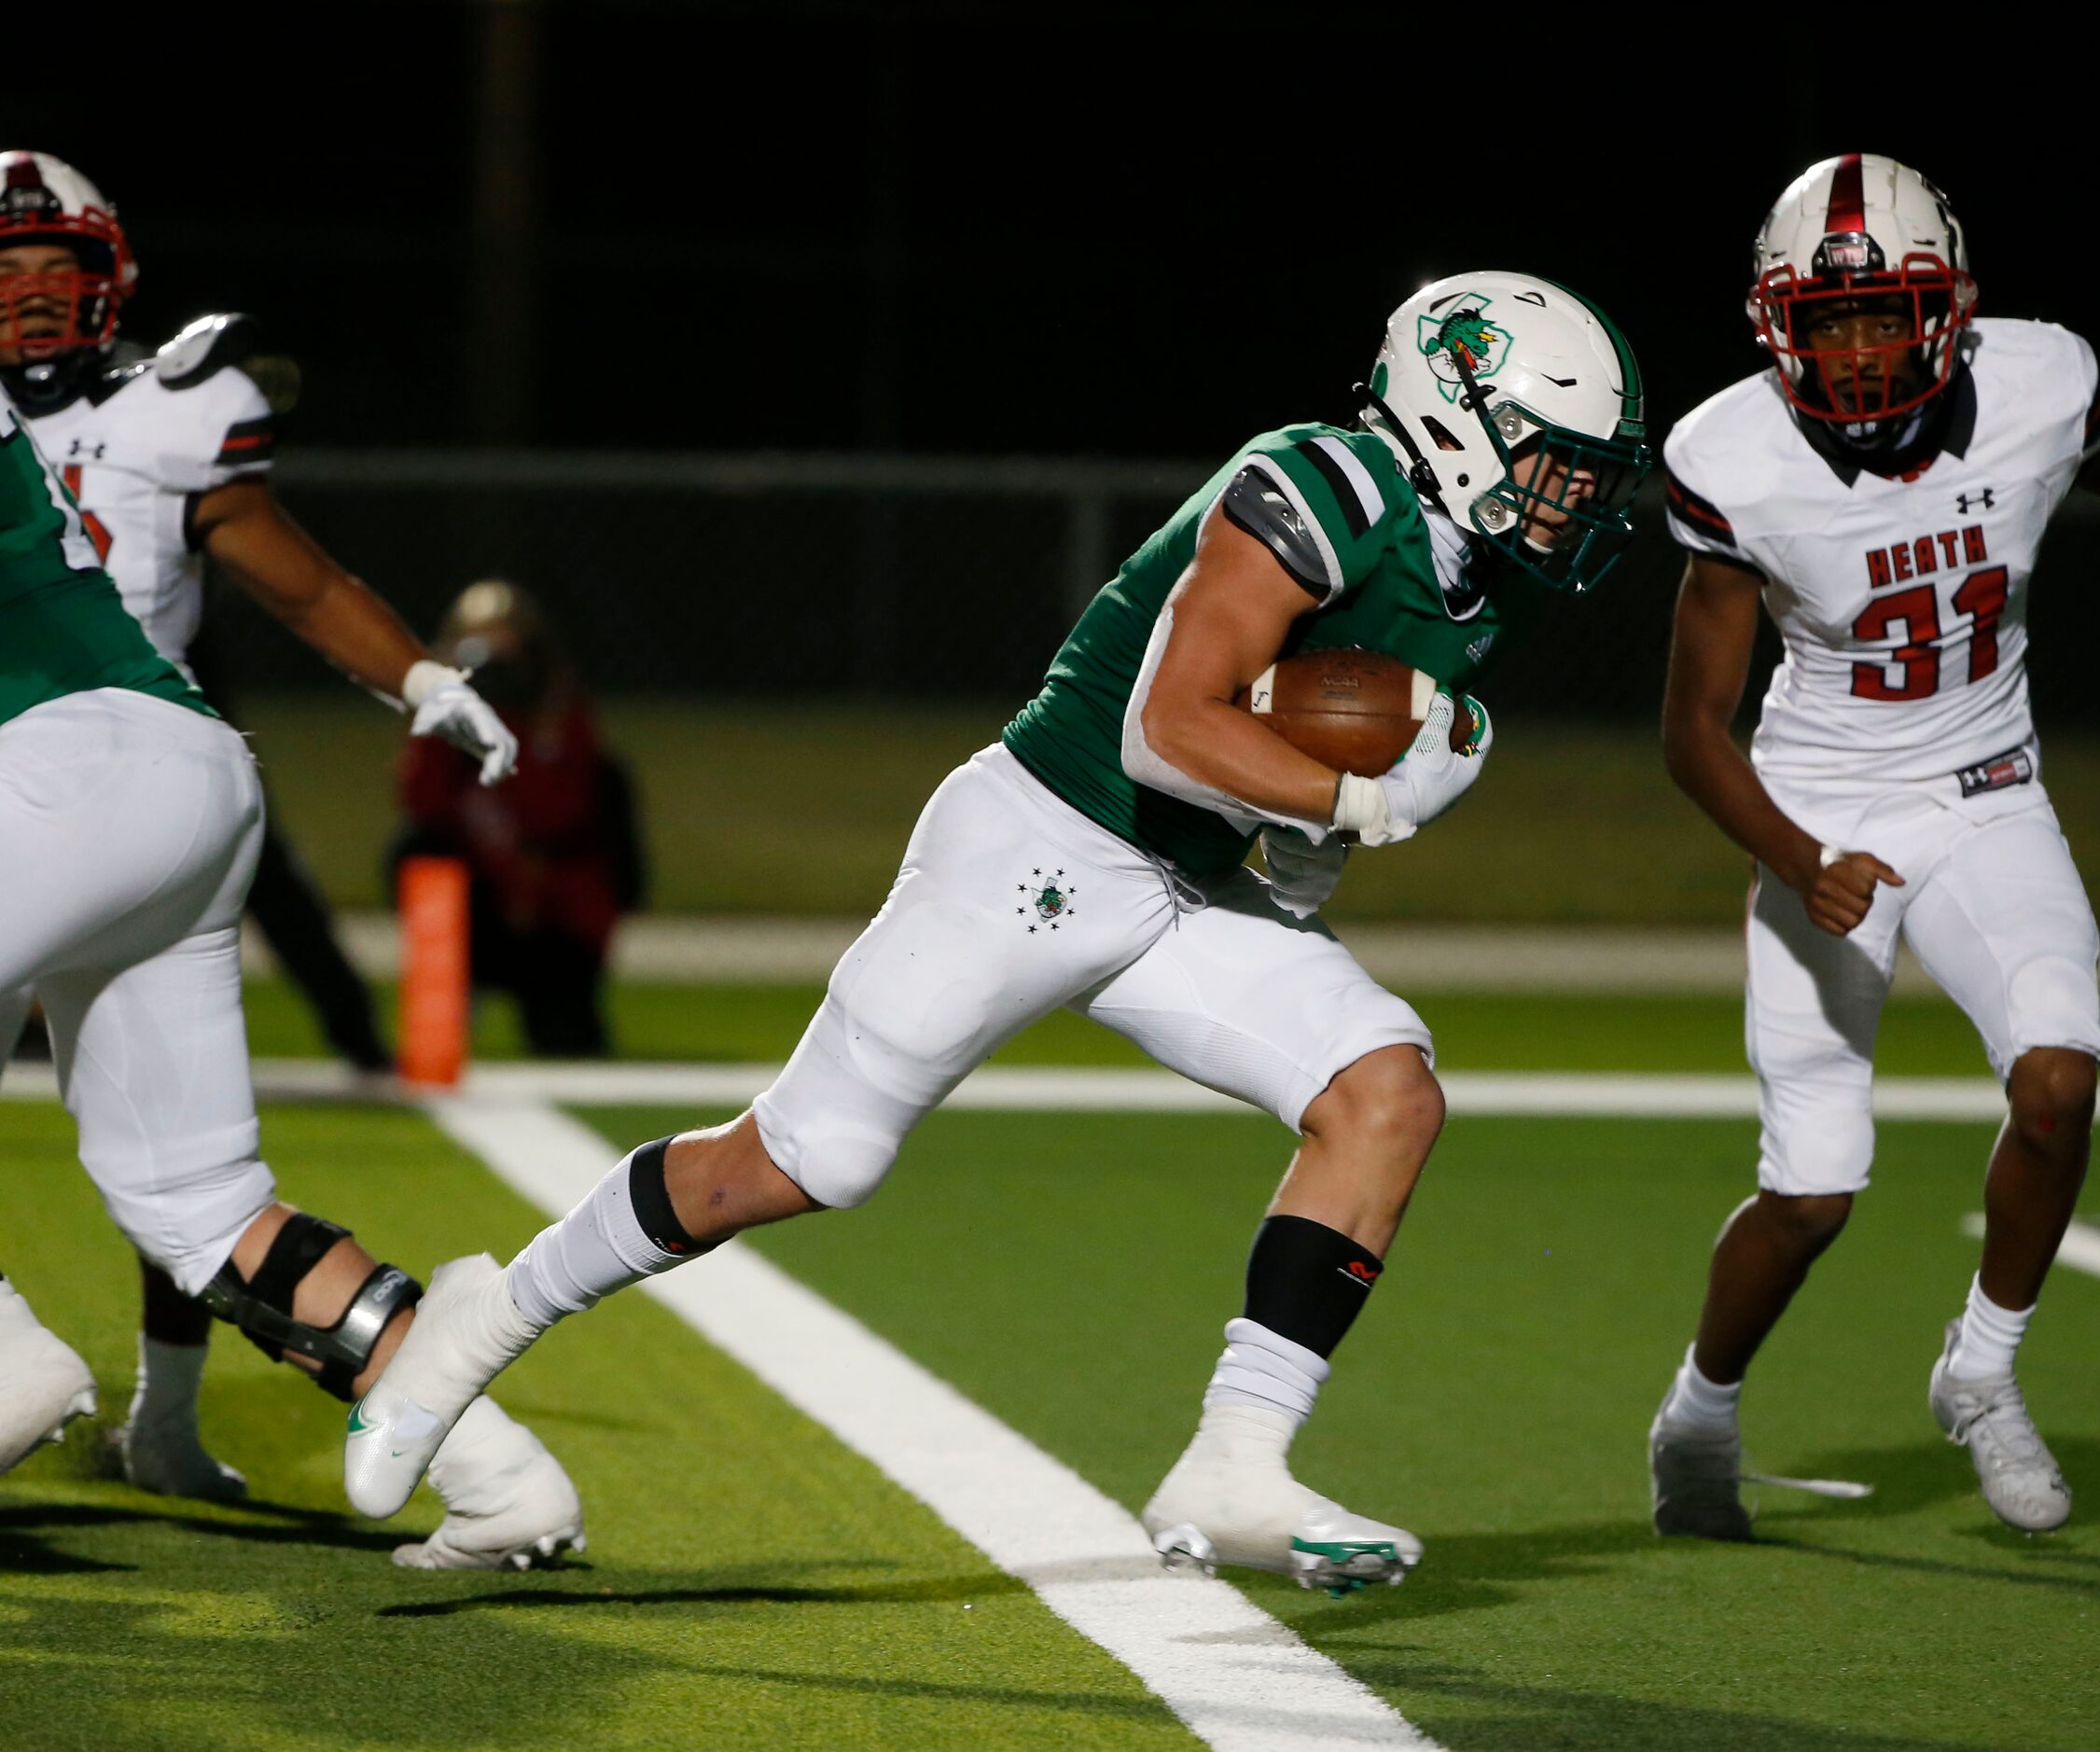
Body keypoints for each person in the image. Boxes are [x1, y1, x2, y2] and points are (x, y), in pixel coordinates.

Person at [346, 271, 1654, 1594]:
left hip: (1183, 885)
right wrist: (1365, 792)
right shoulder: (1321, 485)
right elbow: (1171, 725)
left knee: (1384, 1089)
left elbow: (1306, 775)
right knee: (799, 1160)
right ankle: (480, 1317)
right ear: (1451, 418)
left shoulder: (1484, 576)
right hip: (1041, 840)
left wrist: (1335, 841)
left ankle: (1233, 1460)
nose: (1575, 502)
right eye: (1557, 466)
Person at [1646, 155, 2100, 1537]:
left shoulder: (2044, 386)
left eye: (1886, 317)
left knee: (2058, 1081)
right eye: (1829, 322)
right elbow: (1694, 729)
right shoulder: (1731, 455)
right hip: (1819, 807)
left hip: (1988, 789)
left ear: (1951, 310)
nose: (1861, 349)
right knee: (1811, 1193)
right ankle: (1700, 1402)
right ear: (1778, 324)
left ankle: (1980, 1372)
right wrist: (1796, 850)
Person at [0, 173, 581, 1571]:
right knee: (196, 1201)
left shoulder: (171, 411)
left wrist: (422, 675)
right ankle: (501, 1470)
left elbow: (296, 575)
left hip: (54, 761)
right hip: (184, 770)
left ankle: (13, 1364)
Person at [393, 579, 647, 1057]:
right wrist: (444, 721)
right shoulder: (446, 724)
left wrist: (522, 735)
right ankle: (444, 1010)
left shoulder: (560, 718)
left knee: (568, 1043)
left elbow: (560, 816)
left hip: (555, 911)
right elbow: (424, 805)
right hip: (482, 905)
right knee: (417, 850)